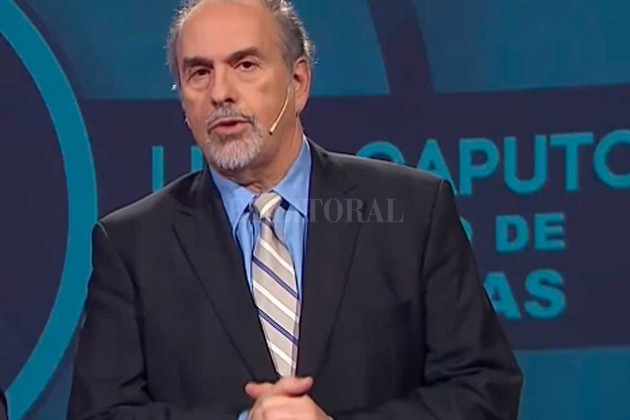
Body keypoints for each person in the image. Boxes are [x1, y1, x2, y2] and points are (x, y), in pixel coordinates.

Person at [67, 0, 523, 419]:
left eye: (245, 65)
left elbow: (483, 391)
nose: (220, 92)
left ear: (298, 82)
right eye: (199, 72)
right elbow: (99, 415)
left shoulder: (412, 212)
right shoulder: (132, 245)